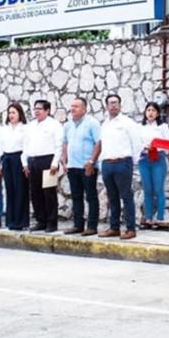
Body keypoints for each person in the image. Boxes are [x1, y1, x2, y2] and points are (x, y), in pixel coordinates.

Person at [96, 94, 144, 240]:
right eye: (110, 103)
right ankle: (114, 227)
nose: (113, 105)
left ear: (120, 105)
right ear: (106, 106)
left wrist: (131, 161)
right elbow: (103, 144)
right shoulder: (104, 124)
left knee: (126, 196)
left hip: (123, 162)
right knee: (112, 197)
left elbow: (137, 144)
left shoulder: (127, 123)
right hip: (107, 164)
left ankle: (130, 228)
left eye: (116, 102)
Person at [61, 97, 101, 236]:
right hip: (72, 166)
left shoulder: (92, 123)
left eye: (76, 106)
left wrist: (91, 161)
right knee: (76, 196)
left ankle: (92, 226)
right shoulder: (68, 125)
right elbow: (65, 143)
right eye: (71, 106)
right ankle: (78, 225)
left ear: (84, 109)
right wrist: (64, 160)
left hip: (87, 166)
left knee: (91, 196)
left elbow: (98, 143)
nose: (73, 109)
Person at [23, 99, 63, 233]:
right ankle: (41, 220)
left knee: (49, 193)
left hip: (48, 161)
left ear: (47, 110)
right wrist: (25, 163)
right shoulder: (30, 126)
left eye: (40, 109)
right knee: (35, 193)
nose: (37, 111)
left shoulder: (54, 125)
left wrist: (55, 163)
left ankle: (52, 222)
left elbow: (59, 146)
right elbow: (25, 146)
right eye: (35, 109)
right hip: (33, 161)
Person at [139, 101, 169, 228]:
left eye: (153, 110)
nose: (151, 113)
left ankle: (159, 219)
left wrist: (156, 145)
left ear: (157, 113)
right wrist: (145, 146)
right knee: (147, 190)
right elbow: (137, 143)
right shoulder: (140, 128)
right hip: (144, 158)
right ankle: (148, 218)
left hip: (158, 158)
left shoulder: (163, 127)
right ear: (145, 112)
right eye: (148, 110)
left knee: (158, 189)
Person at [0, 103, 29, 231]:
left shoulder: (25, 129)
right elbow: (1, 146)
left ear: (19, 114)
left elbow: (26, 147)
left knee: (20, 190)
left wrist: (25, 163)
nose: (11, 115)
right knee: (9, 190)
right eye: (9, 113)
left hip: (19, 159)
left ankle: (20, 221)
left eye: (14, 113)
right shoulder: (5, 129)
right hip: (7, 159)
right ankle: (11, 220)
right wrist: (0, 163)